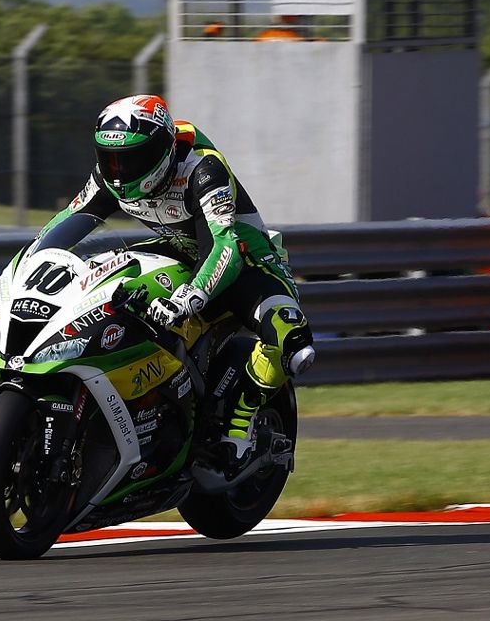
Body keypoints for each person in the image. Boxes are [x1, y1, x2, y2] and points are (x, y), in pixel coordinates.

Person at [33, 94, 316, 471]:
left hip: (244, 261)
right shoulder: (109, 177)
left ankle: (242, 417)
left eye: (132, 158)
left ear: (164, 149)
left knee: (293, 341)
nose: (119, 170)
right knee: (105, 286)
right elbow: (66, 222)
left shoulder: (202, 167)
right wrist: (23, 269)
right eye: (110, 157)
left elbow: (225, 246)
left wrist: (191, 297)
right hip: (173, 251)